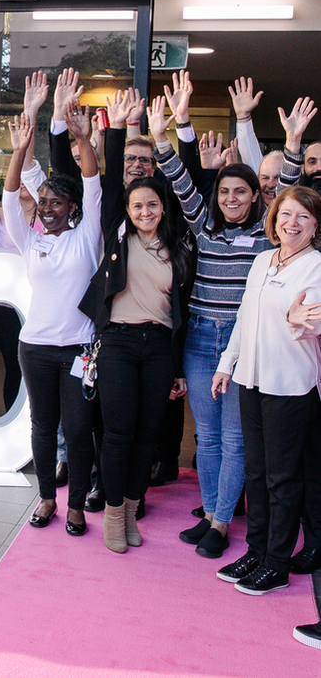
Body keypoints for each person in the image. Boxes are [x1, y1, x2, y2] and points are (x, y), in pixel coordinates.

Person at [154, 89, 310, 560]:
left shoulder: (266, 237)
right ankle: (210, 512)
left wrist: (294, 144)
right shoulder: (203, 227)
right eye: (224, 191)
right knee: (206, 436)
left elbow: (285, 188)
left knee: (234, 438)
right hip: (201, 339)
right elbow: (180, 180)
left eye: (240, 191)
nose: (231, 198)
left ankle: (221, 523)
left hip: (241, 347)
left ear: (254, 198)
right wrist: (164, 135)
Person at [80, 95, 195, 553]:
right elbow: (111, 175)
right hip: (120, 343)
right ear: (126, 211)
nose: (144, 211)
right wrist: (122, 127)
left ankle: (131, 508)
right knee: (119, 432)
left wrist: (176, 130)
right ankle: (112, 515)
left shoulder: (177, 243)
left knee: (148, 435)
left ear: (162, 207)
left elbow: (188, 182)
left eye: (151, 205)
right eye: (136, 206)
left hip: (159, 346)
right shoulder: (117, 231)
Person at [212, 186, 321, 595]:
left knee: (282, 479)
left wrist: (299, 319)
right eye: (286, 215)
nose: (292, 224)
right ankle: (256, 551)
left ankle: (277, 563)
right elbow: (244, 316)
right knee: (256, 475)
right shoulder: (262, 260)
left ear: (315, 227)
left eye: (303, 218)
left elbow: (315, 320)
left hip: (290, 387)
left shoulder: (316, 267)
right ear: (273, 218)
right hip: (250, 381)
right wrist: (227, 364)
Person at [4, 103, 101, 536]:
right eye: (43, 201)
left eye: (55, 202)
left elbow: (95, 186)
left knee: (79, 431)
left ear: (72, 207)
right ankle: (47, 498)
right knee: (43, 427)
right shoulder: (31, 241)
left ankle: (76, 505)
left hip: (80, 348)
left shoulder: (87, 237)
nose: (45, 208)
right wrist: (20, 152)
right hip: (36, 349)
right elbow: (10, 199)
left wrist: (82, 139)